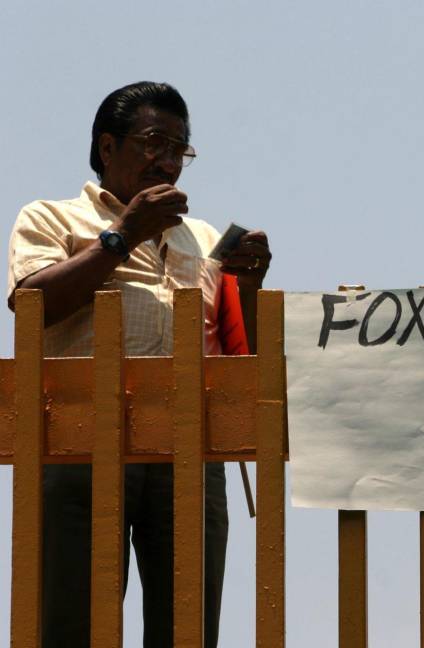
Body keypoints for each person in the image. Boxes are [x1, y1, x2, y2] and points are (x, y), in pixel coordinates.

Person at [6, 81, 271, 647]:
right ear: (108, 148)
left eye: (180, 149)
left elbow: (234, 353)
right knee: (74, 620)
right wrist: (123, 236)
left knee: (188, 628)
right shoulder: (52, 218)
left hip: (190, 444)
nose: (169, 161)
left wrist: (245, 284)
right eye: (154, 142)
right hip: (79, 439)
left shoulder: (201, 239)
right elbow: (34, 306)